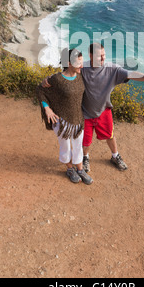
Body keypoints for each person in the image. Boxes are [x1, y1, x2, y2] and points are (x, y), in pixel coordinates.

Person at [41, 42, 144, 173]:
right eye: (100, 56)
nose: (103, 58)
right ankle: (85, 158)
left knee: (110, 135)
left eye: (104, 55)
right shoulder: (82, 68)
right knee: (85, 142)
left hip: (104, 110)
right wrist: (47, 80)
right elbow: (65, 75)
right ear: (91, 56)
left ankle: (115, 156)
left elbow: (130, 74)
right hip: (85, 112)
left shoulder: (112, 69)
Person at [36, 48, 93, 185]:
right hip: (62, 122)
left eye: (81, 62)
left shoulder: (81, 75)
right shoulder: (57, 79)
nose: (82, 65)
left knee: (78, 146)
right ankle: (69, 169)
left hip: (78, 120)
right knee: (66, 147)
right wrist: (47, 109)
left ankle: (80, 169)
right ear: (69, 63)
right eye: (79, 62)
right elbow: (40, 90)